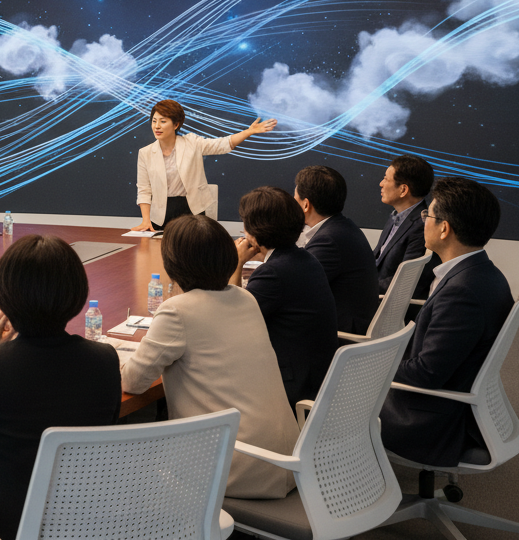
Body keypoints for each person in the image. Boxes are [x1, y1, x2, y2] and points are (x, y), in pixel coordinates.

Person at [0, 235, 121, 540]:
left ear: (5, 297)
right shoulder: (105, 361)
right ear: (76, 292)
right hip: (91, 523)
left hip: (13, 528)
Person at [123, 214, 298, 499]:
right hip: (287, 456)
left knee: (122, 468)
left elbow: (132, 381)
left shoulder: (177, 311)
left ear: (171, 265)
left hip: (237, 464)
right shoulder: (246, 298)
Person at [381, 177, 514, 467]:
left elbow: (426, 373)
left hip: (425, 420)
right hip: (449, 402)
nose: (422, 221)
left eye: (426, 215)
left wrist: (372, 367)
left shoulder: (462, 291)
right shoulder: (483, 273)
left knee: (324, 400)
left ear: (444, 228)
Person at [233, 187, 337, 406]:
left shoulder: (273, 273)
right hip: (316, 377)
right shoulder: (304, 259)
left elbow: (232, 321)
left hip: (289, 385)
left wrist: (237, 264)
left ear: (255, 231)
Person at [132, 99, 276, 231]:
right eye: (154, 121)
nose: (157, 126)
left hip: (191, 209)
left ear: (176, 124)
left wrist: (249, 132)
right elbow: (144, 189)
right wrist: (146, 220)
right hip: (160, 215)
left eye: (163, 121)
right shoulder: (145, 153)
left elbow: (223, 144)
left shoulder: (192, 142)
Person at [294, 165, 380, 334]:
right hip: (353, 324)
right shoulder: (343, 226)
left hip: (343, 335)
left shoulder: (329, 240)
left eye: (294, 197)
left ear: (305, 205)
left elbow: (295, 289)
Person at [376, 154, 438, 298]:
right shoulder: (396, 217)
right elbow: (377, 258)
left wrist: (360, 286)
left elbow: (406, 281)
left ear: (403, 190)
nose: (381, 183)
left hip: (387, 305)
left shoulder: (421, 226)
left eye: (386, 178)